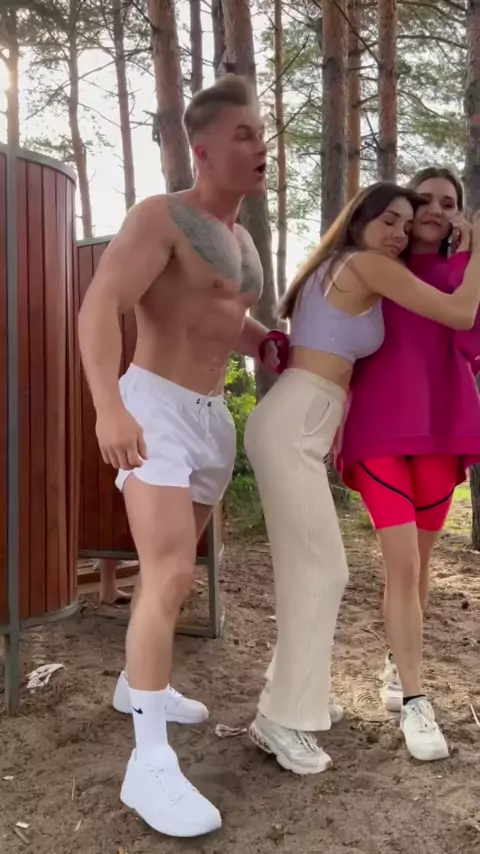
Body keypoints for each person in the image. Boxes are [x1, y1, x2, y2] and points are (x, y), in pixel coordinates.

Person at [78, 74, 281, 838]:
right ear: (203, 149)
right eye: (244, 134)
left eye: (262, 134)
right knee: (165, 572)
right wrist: (110, 406)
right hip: (154, 408)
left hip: (210, 419)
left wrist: (271, 343)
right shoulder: (160, 217)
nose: (261, 146)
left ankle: (138, 684)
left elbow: (227, 318)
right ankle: (150, 763)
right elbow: (101, 303)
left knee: (180, 570)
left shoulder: (242, 241)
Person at [244, 182, 480, 776]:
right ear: (359, 219)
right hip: (298, 421)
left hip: (302, 418)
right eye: (391, 219)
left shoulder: (338, 266)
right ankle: (281, 720)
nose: (400, 232)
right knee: (323, 572)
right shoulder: (366, 264)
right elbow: (460, 313)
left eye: (406, 223)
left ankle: (291, 696)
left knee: (313, 570)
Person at [336, 167, 480, 760]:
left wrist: (471, 259)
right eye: (425, 199)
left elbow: (471, 343)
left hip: (442, 431)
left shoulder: (462, 274)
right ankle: (418, 702)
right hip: (379, 431)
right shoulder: (377, 268)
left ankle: (399, 665)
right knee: (401, 563)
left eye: (449, 202)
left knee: (419, 565)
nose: (436, 210)